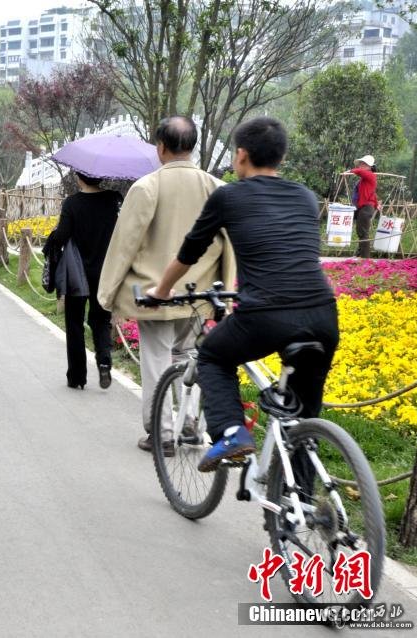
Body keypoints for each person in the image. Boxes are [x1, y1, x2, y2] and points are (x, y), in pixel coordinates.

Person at [146, 116, 338, 472]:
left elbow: (190, 252)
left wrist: (160, 291)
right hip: (323, 315)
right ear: (281, 156)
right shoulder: (307, 197)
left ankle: (232, 433)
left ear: (241, 155)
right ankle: (302, 512)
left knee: (213, 358)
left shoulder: (228, 196)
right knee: (302, 420)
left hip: (266, 315)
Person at [97, 116, 235, 454]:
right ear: (194, 146)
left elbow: (124, 245)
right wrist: (227, 290)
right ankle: (192, 425)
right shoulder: (216, 188)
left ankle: (162, 433)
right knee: (194, 356)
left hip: (155, 295)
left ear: (160, 147)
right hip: (201, 295)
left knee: (157, 358)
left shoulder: (146, 187)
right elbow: (230, 244)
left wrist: (108, 294)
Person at [44, 171, 121, 390]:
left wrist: (52, 240)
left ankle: (77, 376)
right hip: (104, 270)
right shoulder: (112, 199)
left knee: (75, 322)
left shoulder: (72, 203)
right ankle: (104, 361)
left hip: (77, 273)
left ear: (79, 177)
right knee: (101, 319)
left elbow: (63, 234)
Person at [345, 154, 379, 259]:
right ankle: (360, 254)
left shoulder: (371, 175)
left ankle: (365, 258)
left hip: (366, 207)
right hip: (363, 206)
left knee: (363, 231)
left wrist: (351, 171)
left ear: (369, 166)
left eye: (363, 164)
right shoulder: (364, 180)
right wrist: (377, 204)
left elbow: (360, 172)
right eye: (360, 164)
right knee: (360, 230)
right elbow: (372, 193)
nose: (360, 166)